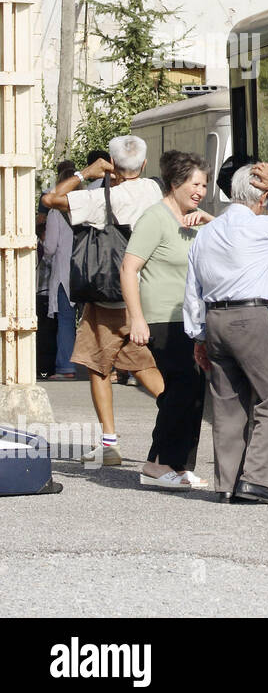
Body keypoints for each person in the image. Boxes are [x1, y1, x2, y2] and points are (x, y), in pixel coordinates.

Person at [183, 162, 268, 504]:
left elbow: (192, 290)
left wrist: (198, 335)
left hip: (215, 320)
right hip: (252, 316)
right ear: (263, 198)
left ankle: (226, 483)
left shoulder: (206, 234)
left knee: (228, 406)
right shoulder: (259, 228)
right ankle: (257, 480)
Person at [41, 136, 164, 466]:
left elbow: (52, 199)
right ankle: (175, 417)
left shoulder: (101, 199)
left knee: (98, 366)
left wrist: (85, 173)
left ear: (111, 164)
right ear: (144, 164)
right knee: (142, 364)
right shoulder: (153, 190)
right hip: (145, 293)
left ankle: (109, 444)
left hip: (108, 297)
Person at [121, 150, 215, 491]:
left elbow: (234, 245)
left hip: (190, 317)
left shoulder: (193, 221)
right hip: (163, 317)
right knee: (183, 387)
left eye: (204, 185)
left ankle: (179, 464)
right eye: (195, 184)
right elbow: (129, 268)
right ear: (175, 183)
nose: (200, 191)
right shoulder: (155, 218)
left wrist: (208, 220)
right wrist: (137, 318)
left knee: (193, 390)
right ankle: (156, 463)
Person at [40, 161, 78, 380]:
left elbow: (51, 248)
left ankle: (66, 366)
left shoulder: (56, 213)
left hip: (65, 273)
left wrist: (43, 244)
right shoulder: (89, 207)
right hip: (90, 271)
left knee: (65, 319)